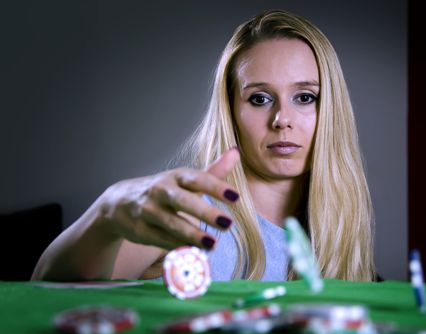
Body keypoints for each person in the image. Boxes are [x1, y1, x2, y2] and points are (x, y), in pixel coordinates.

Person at [32, 9, 376, 282]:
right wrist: (106, 212)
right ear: (231, 111)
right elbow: (46, 289)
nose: (282, 119)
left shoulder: (338, 231)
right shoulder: (190, 210)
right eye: (259, 98)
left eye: (304, 97)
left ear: (329, 108)